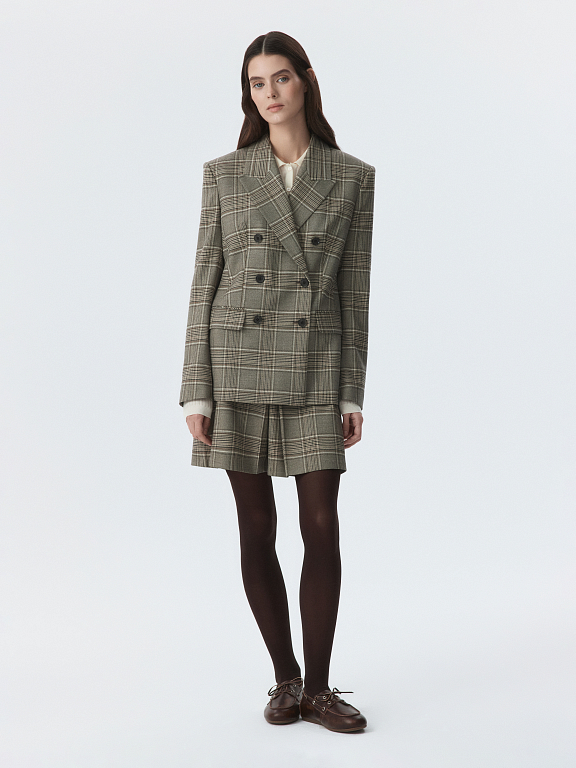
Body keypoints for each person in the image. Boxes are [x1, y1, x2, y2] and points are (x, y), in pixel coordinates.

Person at [179, 31, 375, 733]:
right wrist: (196, 388)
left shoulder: (353, 176)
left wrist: (351, 391)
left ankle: (319, 689)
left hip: (315, 364)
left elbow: (355, 292)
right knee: (255, 525)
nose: (270, 93)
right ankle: (285, 679)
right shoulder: (225, 174)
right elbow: (205, 281)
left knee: (321, 525)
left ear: (306, 81)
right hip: (236, 363)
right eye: (257, 83)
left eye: (281, 78)